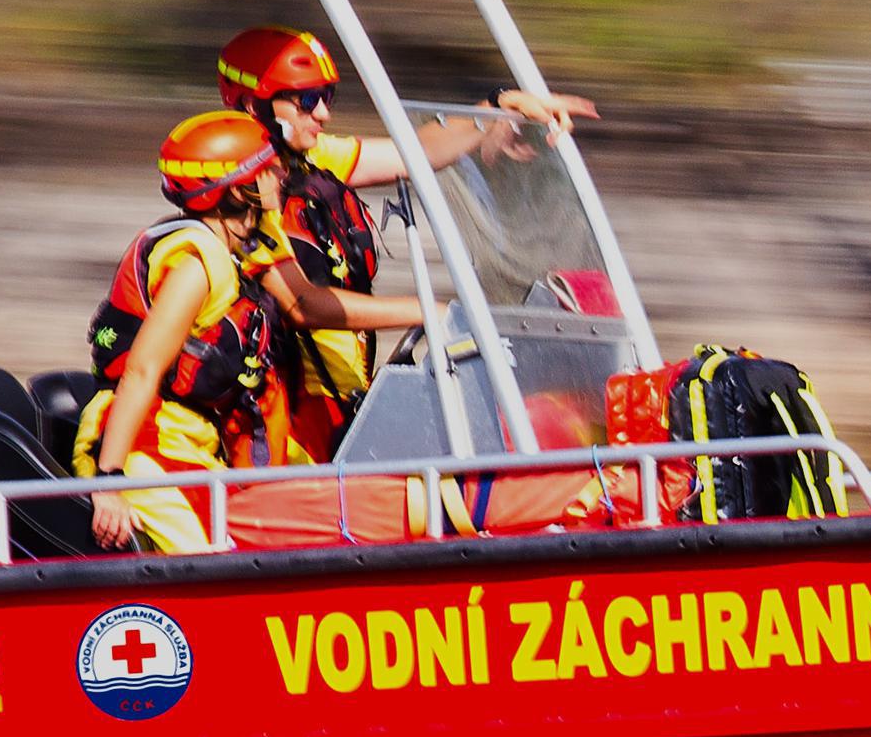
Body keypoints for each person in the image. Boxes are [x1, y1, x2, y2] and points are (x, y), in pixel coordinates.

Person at [215, 25, 599, 458]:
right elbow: (301, 305)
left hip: (344, 394)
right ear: (252, 104)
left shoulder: (312, 160)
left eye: (327, 97)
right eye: (306, 100)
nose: (322, 114)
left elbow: (416, 153)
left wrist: (498, 107)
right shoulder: (237, 194)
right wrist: (426, 310)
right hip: (290, 409)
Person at [75, 112, 421, 552]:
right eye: (268, 168)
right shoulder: (196, 263)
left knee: (318, 502)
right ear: (240, 189)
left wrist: (425, 309)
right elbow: (143, 370)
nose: (281, 174)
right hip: (141, 448)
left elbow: (303, 302)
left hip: (192, 442)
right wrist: (110, 480)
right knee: (210, 559)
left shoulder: (240, 248)